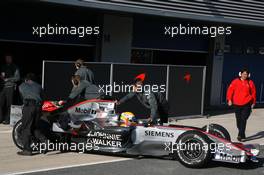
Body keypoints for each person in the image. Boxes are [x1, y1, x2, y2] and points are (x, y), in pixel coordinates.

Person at [18, 73, 47, 156]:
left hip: (29, 106)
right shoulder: (39, 86)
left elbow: (22, 97)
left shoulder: (22, 85)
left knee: (26, 128)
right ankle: (45, 142)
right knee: (34, 127)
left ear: (26, 79)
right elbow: (43, 99)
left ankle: (27, 150)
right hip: (38, 107)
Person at [227, 68, 256, 142]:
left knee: (243, 119)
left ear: (248, 75)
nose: (245, 75)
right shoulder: (235, 81)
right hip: (237, 103)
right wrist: (229, 99)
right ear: (240, 74)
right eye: (243, 74)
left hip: (247, 103)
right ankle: (242, 134)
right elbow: (230, 90)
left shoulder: (250, 82)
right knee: (238, 120)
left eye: (246, 74)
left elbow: (253, 93)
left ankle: (241, 136)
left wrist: (253, 102)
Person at [0, 54, 20, 124]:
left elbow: (17, 78)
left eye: (9, 58)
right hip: (2, 87)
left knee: (9, 104)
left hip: (10, 87)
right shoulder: (3, 66)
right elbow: (2, 75)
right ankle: (0, 118)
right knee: (1, 103)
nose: (7, 59)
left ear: (11, 59)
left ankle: (7, 119)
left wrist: (8, 79)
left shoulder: (15, 67)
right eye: (6, 58)